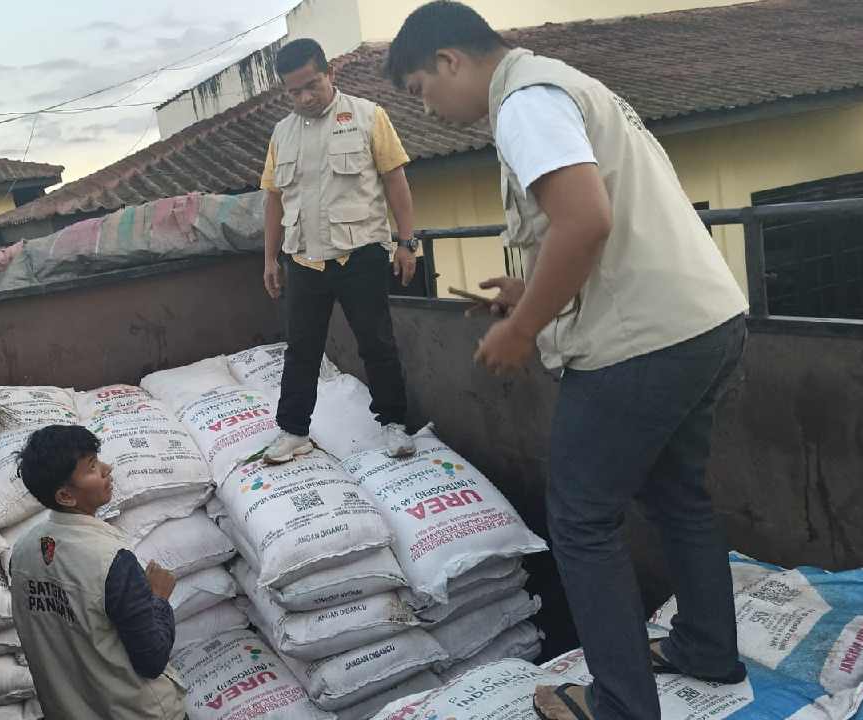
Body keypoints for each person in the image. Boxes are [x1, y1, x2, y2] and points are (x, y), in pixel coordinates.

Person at [386, 3, 749, 719]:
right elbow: (598, 228)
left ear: (451, 62)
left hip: (641, 341)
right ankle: (706, 648)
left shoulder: (523, 104)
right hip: (704, 320)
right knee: (678, 496)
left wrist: (523, 327)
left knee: (582, 522)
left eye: (422, 89)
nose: (428, 109)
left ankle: (620, 706)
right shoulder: (561, 85)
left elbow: (586, 219)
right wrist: (529, 295)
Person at [259, 37, 420, 464]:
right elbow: (274, 198)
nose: (305, 98)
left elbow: (396, 181)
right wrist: (270, 259)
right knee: (302, 348)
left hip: (361, 253)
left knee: (377, 343)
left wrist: (407, 242)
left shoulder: (369, 116)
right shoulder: (282, 133)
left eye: (312, 85)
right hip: (305, 259)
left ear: (331, 73)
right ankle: (293, 431)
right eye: (294, 91)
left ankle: (393, 424)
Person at [8, 425, 185, 720]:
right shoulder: (112, 561)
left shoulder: (23, 552)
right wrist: (158, 599)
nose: (107, 469)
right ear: (66, 496)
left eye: (97, 460)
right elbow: (152, 659)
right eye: (92, 467)